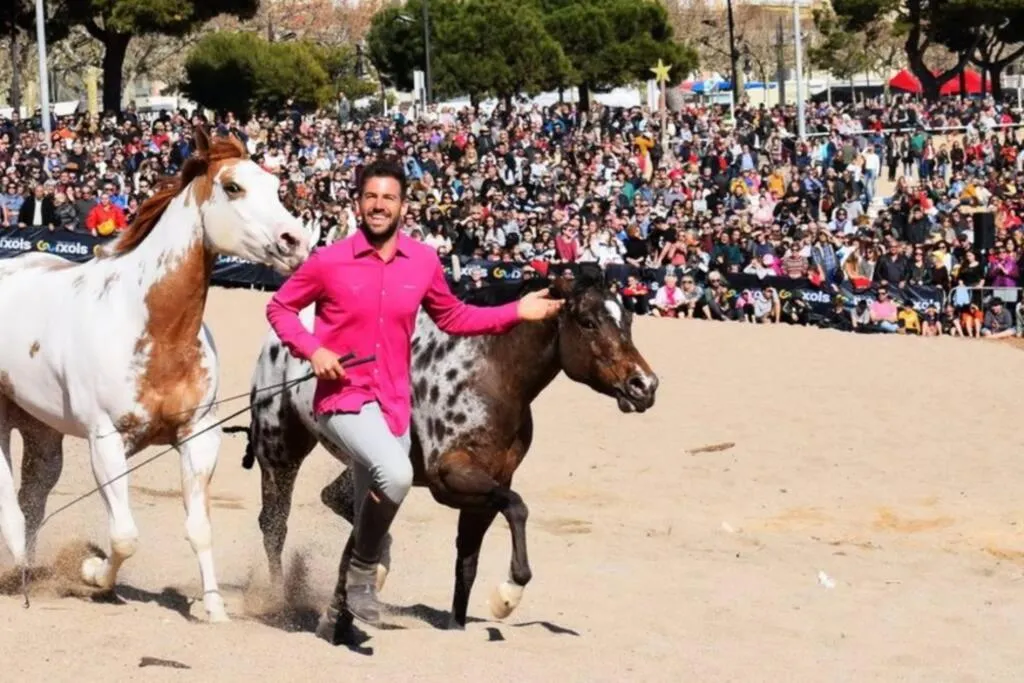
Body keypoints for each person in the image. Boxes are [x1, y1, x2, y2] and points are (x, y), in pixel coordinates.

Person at [265, 157, 563, 627]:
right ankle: (364, 576)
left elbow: (454, 317)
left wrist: (516, 311)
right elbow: (281, 308)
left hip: (394, 402)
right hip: (342, 397)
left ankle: (336, 613)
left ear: (403, 206)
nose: (379, 205)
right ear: (357, 203)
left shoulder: (423, 261)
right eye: (371, 197)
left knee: (374, 503)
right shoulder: (329, 261)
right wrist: (312, 349)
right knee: (398, 474)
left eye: (388, 197)